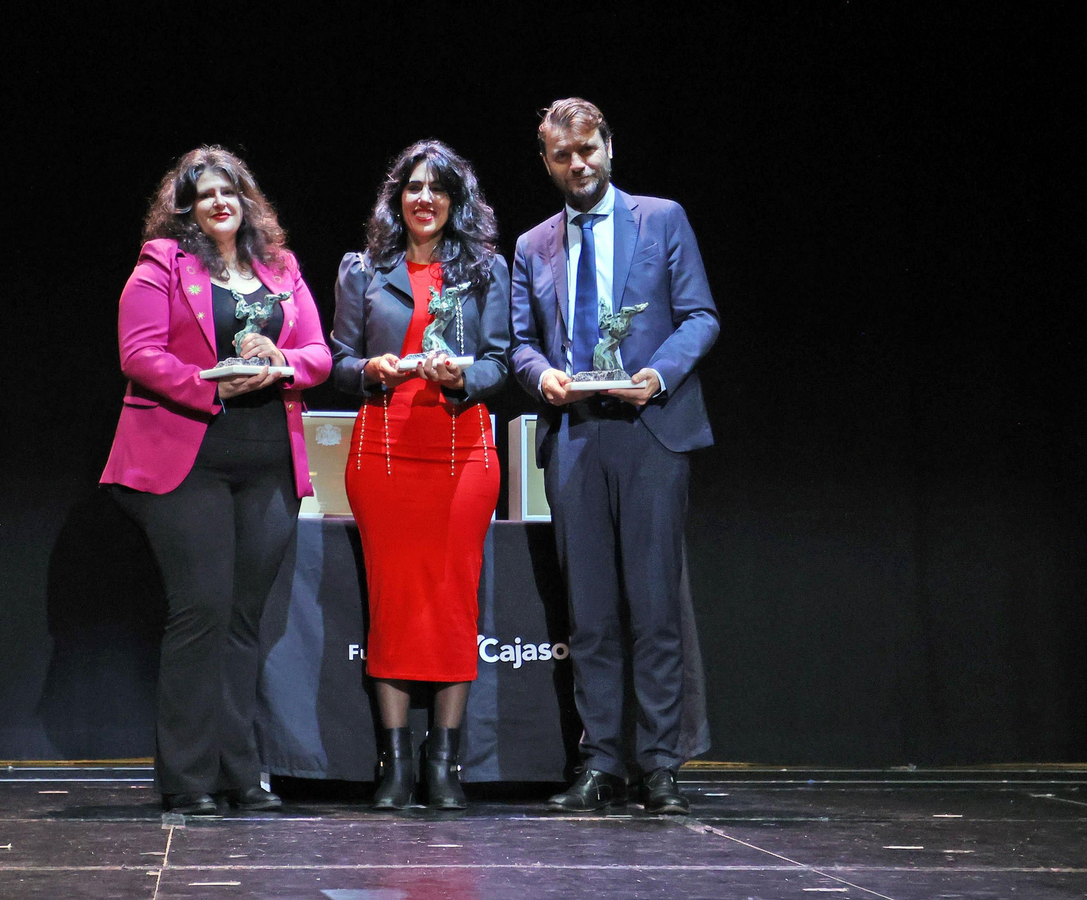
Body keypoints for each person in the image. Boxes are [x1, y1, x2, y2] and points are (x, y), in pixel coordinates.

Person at [100, 147, 331, 814]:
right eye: (203, 195)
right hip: (188, 460)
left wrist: (281, 362)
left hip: (268, 464)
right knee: (201, 610)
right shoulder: (161, 264)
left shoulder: (280, 270)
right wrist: (212, 381)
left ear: (246, 199)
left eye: (228, 190)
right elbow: (139, 354)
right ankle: (188, 779)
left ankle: (241, 772)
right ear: (188, 210)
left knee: (243, 622)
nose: (219, 202)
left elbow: (319, 354)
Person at [509, 99, 720, 814]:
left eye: (589, 150)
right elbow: (518, 343)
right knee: (590, 613)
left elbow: (701, 315)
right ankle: (601, 761)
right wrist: (543, 377)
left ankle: (659, 763)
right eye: (563, 155)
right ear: (547, 162)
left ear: (608, 147)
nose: (579, 165)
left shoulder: (661, 219)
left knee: (654, 606)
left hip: (651, 430)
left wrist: (656, 375)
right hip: (575, 438)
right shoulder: (533, 245)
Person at [331, 140, 510, 810]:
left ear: (457, 202)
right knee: (394, 603)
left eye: (438, 189)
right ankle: (395, 766)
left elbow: (500, 360)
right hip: (383, 453)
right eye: (412, 187)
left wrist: (465, 376)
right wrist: (369, 371)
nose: (424, 198)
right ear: (397, 198)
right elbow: (335, 359)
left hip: (463, 450)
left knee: (454, 601)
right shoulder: (363, 269)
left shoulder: (488, 270)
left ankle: (445, 766)